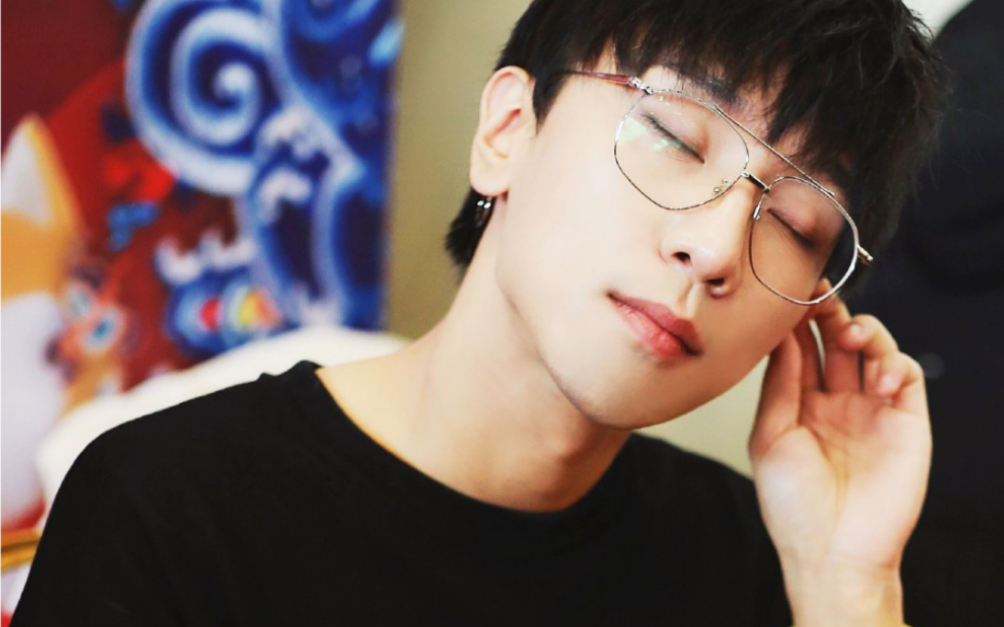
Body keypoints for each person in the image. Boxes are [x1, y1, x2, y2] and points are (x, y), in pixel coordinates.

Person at [11, 0, 946, 625]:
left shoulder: (761, 561)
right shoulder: (169, 506)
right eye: (672, 134)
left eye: (795, 221)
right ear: (508, 132)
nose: (714, 249)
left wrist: (849, 586)